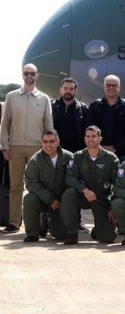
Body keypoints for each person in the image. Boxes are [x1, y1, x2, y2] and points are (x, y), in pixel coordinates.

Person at [0, 63, 53, 234]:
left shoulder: (44, 98)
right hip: (15, 147)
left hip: (37, 148)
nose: (29, 76)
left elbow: (49, 125)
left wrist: (49, 148)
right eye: (26, 73)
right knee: (15, 186)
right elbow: (4, 124)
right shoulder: (11, 96)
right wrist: (5, 146)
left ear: (37, 76)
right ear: (22, 75)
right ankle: (14, 222)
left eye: (32, 73)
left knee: (36, 186)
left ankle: (35, 224)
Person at [62, 125, 119, 244]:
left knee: (107, 238)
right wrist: (84, 190)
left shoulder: (110, 158)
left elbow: (118, 184)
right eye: (88, 136)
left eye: (94, 136)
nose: (90, 139)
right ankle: (72, 233)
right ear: (84, 139)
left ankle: (97, 230)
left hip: (102, 200)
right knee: (69, 194)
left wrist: (113, 206)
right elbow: (69, 178)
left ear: (100, 138)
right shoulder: (78, 156)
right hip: (83, 196)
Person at [22, 129, 73, 243]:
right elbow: (31, 184)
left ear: (58, 142)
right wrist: (50, 199)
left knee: (61, 235)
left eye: (52, 141)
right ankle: (32, 233)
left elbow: (75, 179)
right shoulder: (35, 160)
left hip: (61, 203)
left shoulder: (69, 157)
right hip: (43, 200)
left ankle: (47, 222)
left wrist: (63, 201)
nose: (48, 145)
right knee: (29, 199)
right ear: (42, 143)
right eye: (45, 142)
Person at [86, 75, 125, 162]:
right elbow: (89, 128)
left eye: (114, 85)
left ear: (119, 88)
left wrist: (116, 147)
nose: (111, 87)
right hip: (98, 153)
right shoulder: (94, 106)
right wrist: (101, 146)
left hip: (122, 154)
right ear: (104, 87)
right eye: (108, 85)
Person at [51, 77, 88, 153]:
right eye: (65, 88)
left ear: (76, 91)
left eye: (71, 89)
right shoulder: (52, 107)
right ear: (61, 90)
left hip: (75, 152)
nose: (68, 91)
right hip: (54, 150)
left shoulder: (83, 109)